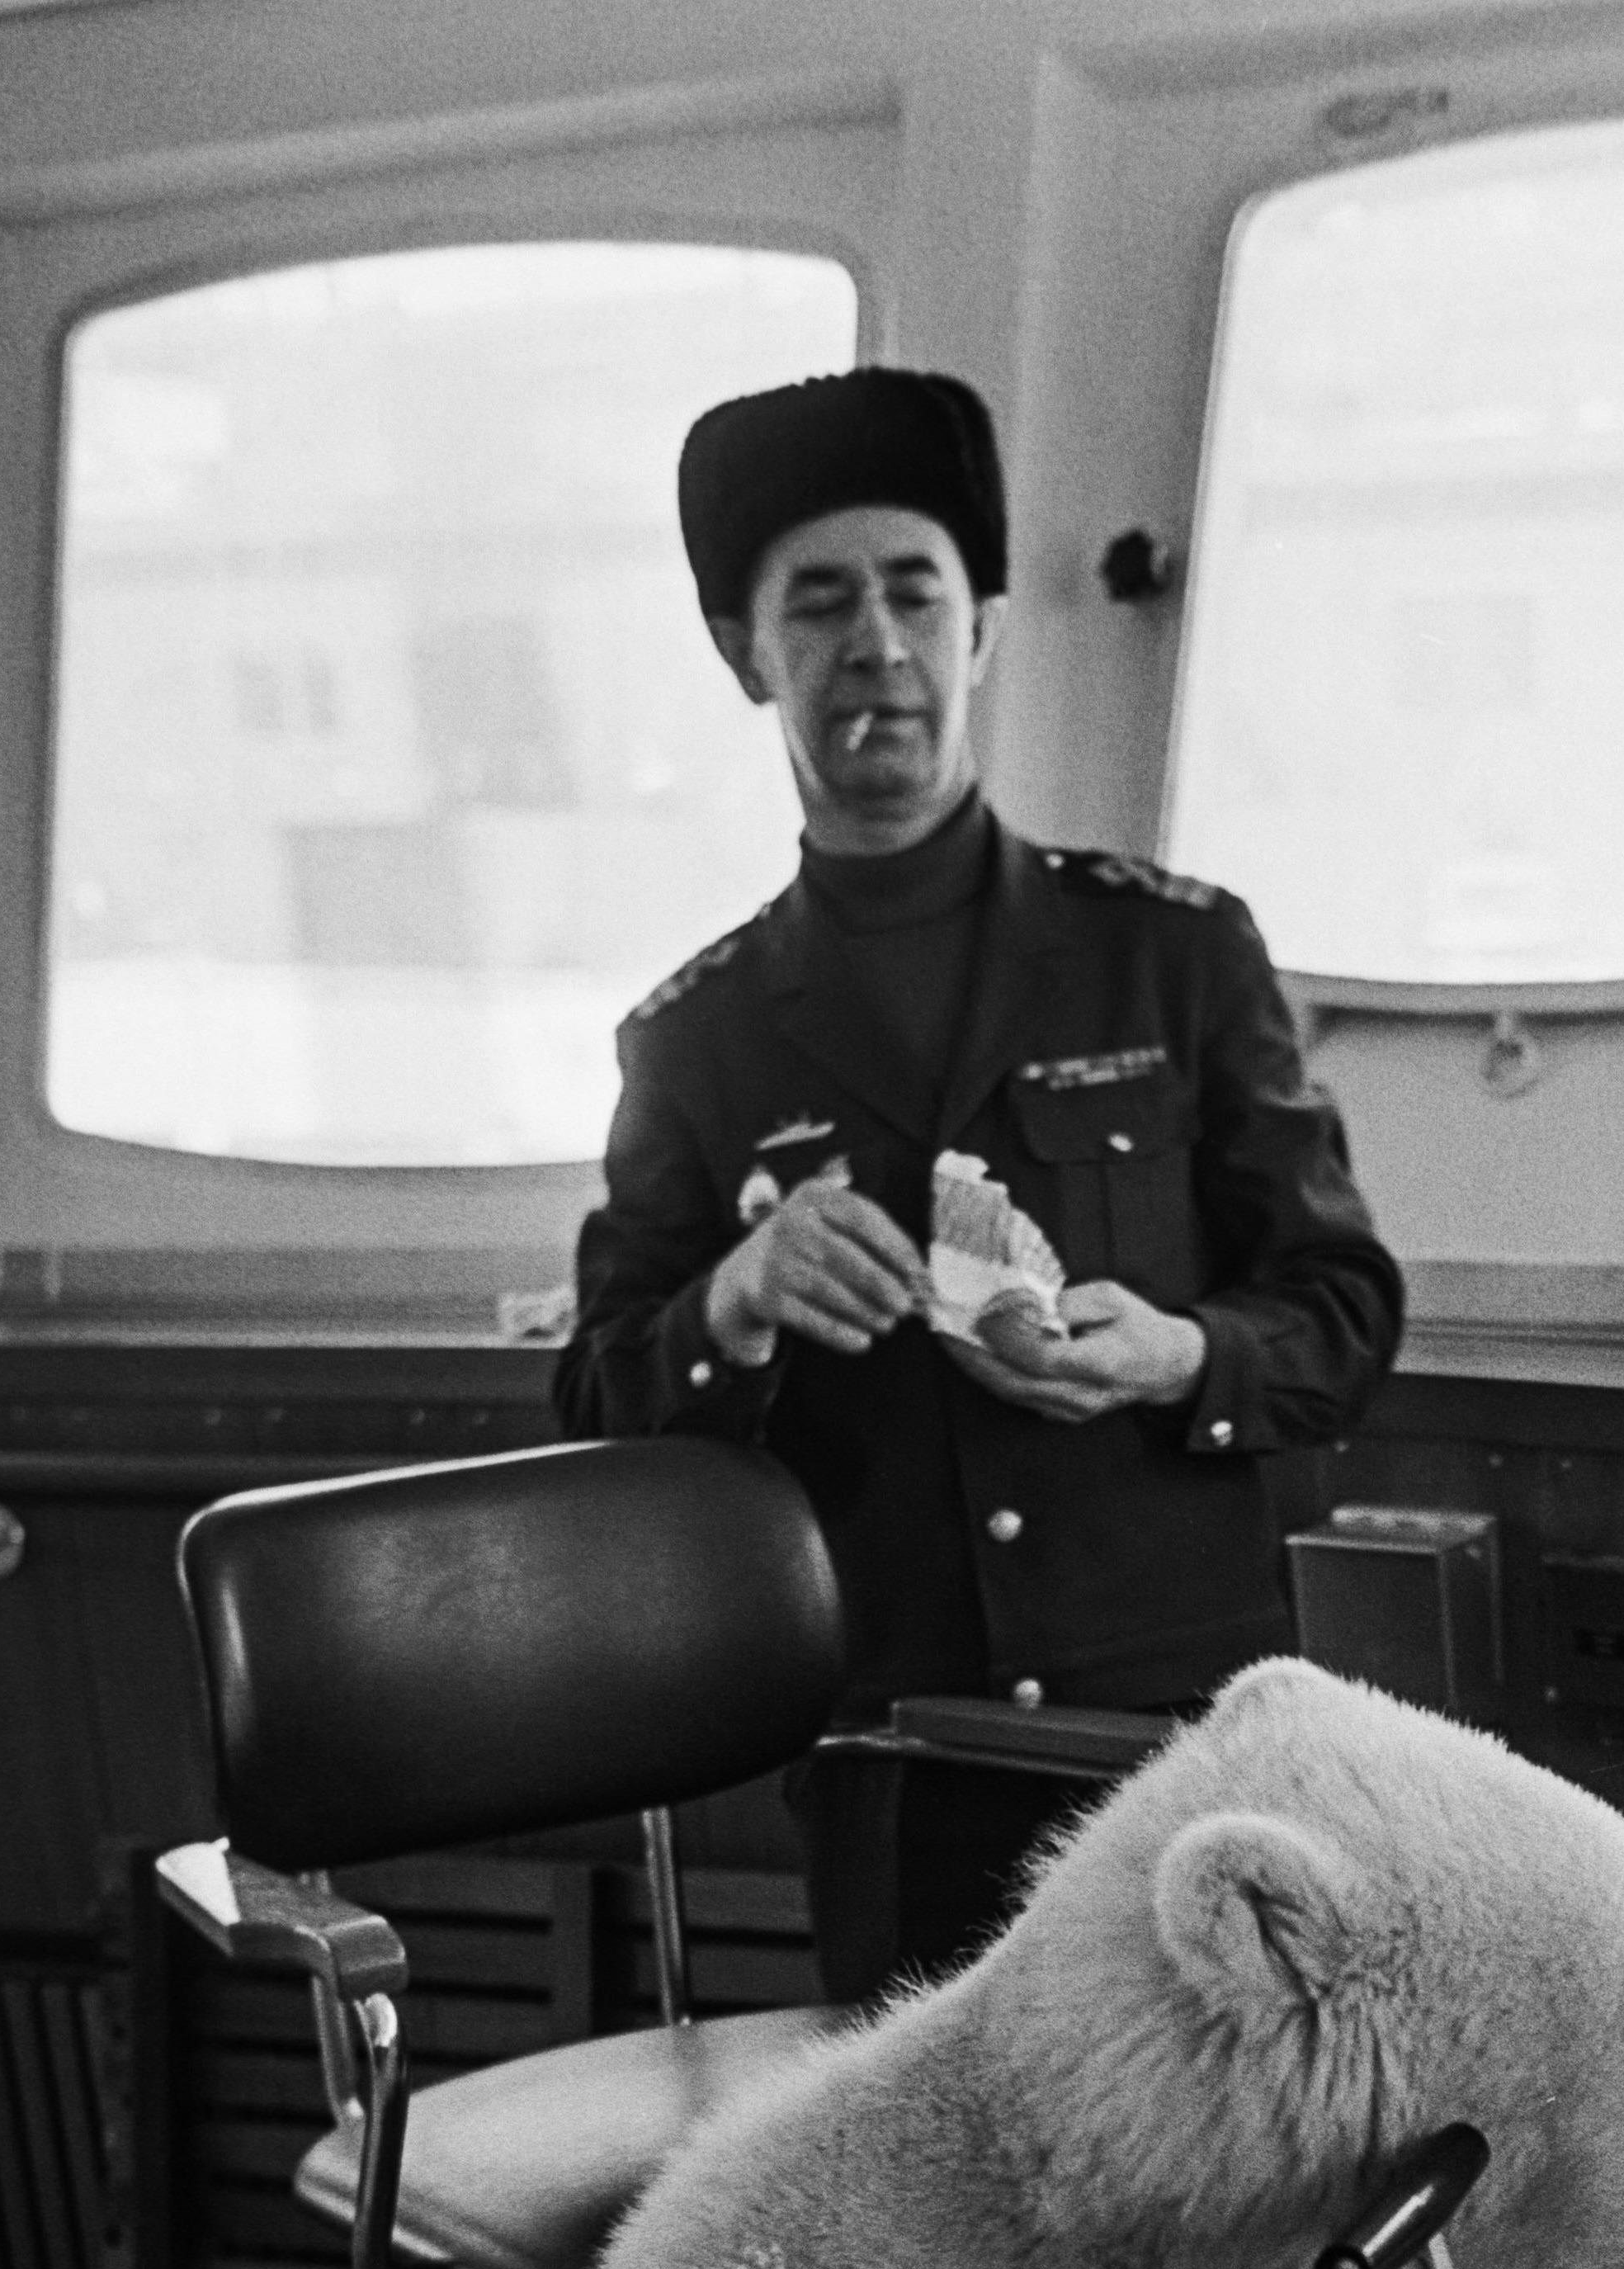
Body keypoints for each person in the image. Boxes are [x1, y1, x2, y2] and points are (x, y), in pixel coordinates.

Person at [556, 364, 1404, 1736]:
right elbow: (600, 1401)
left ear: (986, 630)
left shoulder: (1175, 955)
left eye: (916, 591)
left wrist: (1178, 1355)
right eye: (819, 602)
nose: (878, 642)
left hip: (1179, 1719)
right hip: (883, 1724)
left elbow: (1345, 1312)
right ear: (742, 652)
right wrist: (734, 1300)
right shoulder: (690, 1040)